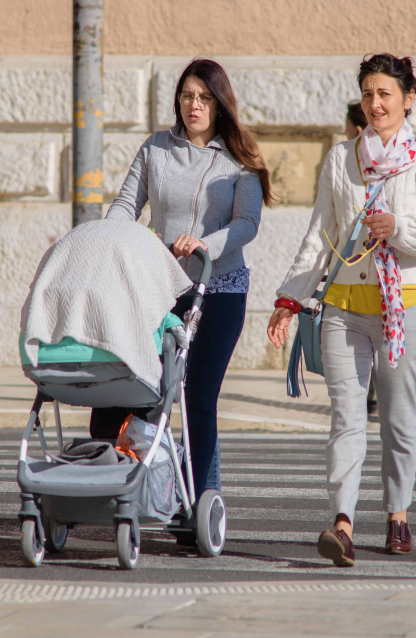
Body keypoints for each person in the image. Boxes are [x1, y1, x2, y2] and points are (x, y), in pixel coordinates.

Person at [268, 55, 416, 563]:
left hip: (406, 309)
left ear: (408, 98)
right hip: (344, 307)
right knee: (346, 419)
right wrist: (290, 297)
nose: (375, 104)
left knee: (398, 417)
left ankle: (397, 515)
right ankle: (342, 524)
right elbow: (319, 237)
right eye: (368, 94)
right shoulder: (339, 159)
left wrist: (399, 227)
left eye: (385, 94)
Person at [105, 58, 272, 500]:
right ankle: (145, 487)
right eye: (186, 96)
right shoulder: (156, 148)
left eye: (204, 97)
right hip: (161, 288)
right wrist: (108, 238)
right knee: (145, 390)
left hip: (218, 290)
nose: (194, 105)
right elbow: (126, 204)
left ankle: (203, 500)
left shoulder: (239, 158)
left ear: (219, 105)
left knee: (198, 397)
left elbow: (247, 223)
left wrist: (204, 245)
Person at [347, 102, 416, 427]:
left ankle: (373, 397)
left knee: (386, 321)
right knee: (412, 323)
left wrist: (397, 227)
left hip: (391, 269)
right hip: (414, 269)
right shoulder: (344, 159)